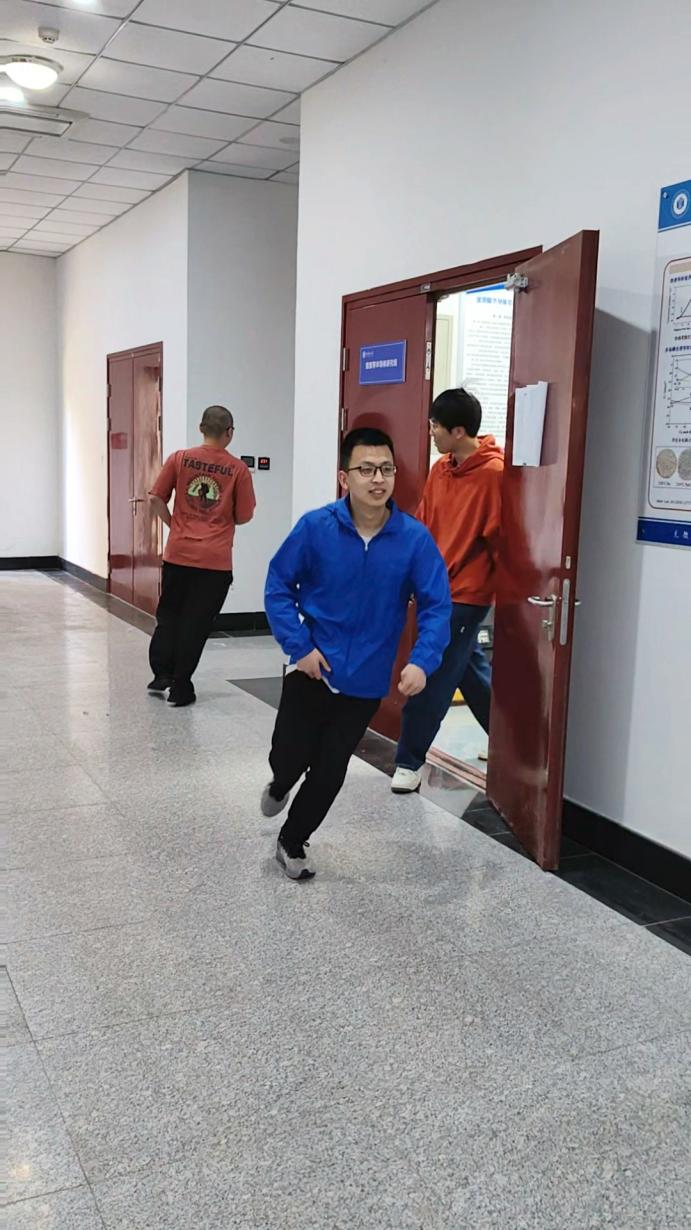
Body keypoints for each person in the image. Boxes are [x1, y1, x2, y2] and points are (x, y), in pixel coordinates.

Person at [262, 426, 451, 880]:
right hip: (311, 668)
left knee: (331, 767)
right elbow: (278, 586)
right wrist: (300, 647)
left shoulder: (413, 540)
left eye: (386, 469)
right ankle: (281, 782)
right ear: (345, 477)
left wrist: (422, 661)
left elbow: (437, 605)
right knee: (289, 755)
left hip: (365, 679)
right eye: (366, 469)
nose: (378, 479)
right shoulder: (316, 528)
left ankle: (292, 840)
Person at [391, 387, 504, 793]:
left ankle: (408, 762)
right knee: (470, 671)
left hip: (466, 594)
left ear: (458, 431)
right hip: (434, 588)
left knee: (432, 673)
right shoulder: (441, 468)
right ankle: (512, 748)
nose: (431, 432)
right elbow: (423, 525)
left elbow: (499, 539)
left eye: (436, 426)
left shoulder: (494, 475)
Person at [147, 404, 256, 706]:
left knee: (169, 615)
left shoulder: (179, 459)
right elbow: (244, 515)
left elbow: (155, 498)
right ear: (229, 432)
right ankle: (181, 686)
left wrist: (175, 525)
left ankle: (161, 673)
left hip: (178, 554)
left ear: (201, 428)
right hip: (214, 562)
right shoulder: (238, 469)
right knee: (195, 623)